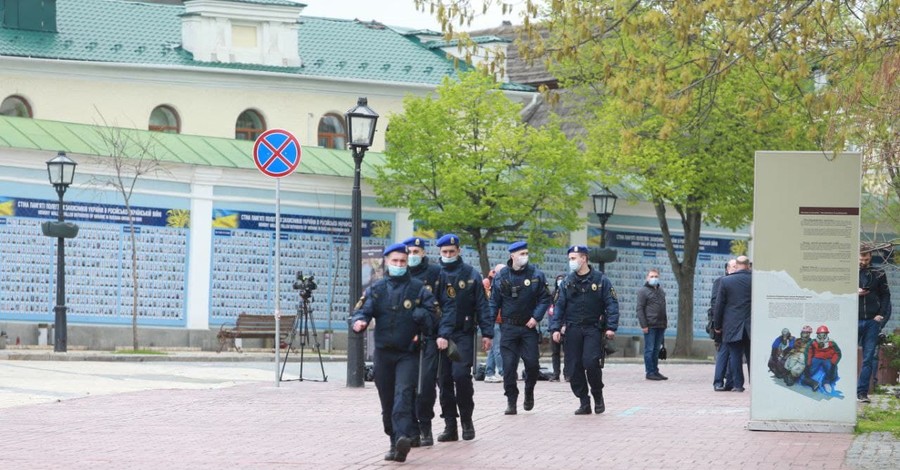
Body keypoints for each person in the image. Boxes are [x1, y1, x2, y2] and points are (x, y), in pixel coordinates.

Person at [350, 242, 436, 463]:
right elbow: (361, 311)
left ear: (407, 263)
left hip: (407, 353)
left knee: (403, 396)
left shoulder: (418, 289)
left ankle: (403, 438)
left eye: (402, 261)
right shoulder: (377, 289)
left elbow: (434, 317)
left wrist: (420, 316)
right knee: (387, 400)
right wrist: (359, 322)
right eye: (395, 261)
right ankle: (394, 440)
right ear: (387, 262)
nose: (399, 265)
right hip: (383, 354)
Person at [433, 234, 493, 442]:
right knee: (443, 380)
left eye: (452, 251)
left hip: (462, 334)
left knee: (461, 376)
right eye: (444, 252)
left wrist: (487, 333)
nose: (448, 255)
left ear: (458, 251)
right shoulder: (435, 274)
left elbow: (482, 305)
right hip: (439, 336)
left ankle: (466, 419)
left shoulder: (471, 274)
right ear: (439, 253)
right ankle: (450, 425)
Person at [549, 245, 620, 415]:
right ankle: (584, 401)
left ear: (584, 258)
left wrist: (611, 327)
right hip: (572, 329)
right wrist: (555, 328)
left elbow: (612, 304)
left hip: (592, 328)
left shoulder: (601, 280)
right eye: (570, 259)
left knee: (591, 363)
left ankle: (597, 394)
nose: (571, 262)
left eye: (574, 258)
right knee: (573, 368)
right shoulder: (567, 282)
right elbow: (559, 306)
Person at [489, 241, 552, 415]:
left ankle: (529, 391)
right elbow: (494, 302)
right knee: (508, 367)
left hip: (528, 327)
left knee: (532, 364)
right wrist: (488, 325)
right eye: (521, 254)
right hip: (508, 327)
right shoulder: (502, 276)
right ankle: (511, 400)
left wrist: (536, 317)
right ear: (512, 256)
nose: (524, 257)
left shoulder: (536, 275)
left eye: (526, 253)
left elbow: (545, 299)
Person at [400, 236, 441, 447]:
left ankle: (425, 425)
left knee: (425, 385)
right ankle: (412, 429)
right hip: (404, 339)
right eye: (410, 252)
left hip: (429, 337)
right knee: (406, 386)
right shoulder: (399, 274)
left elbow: (442, 305)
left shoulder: (435, 273)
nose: (412, 255)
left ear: (423, 253)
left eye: (416, 252)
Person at [857, 244, 891, 403]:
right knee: (845, 354)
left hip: (872, 320)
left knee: (868, 358)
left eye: (866, 258)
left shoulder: (878, 272)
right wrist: (855, 292)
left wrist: (880, 315)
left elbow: (885, 295)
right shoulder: (850, 272)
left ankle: (862, 393)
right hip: (854, 319)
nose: (863, 262)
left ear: (870, 256)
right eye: (861, 259)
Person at [713, 255, 751, 392]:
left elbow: (719, 305)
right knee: (751, 355)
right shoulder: (755, 280)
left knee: (735, 356)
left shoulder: (726, 281)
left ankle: (738, 385)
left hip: (732, 325)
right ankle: (755, 385)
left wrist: (717, 326)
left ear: (738, 265)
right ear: (748, 265)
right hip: (751, 326)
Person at [636, 268, 668, 381]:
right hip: (650, 325)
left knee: (656, 350)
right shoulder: (643, 291)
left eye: (656, 276)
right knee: (649, 349)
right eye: (651, 276)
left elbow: (663, 308)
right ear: (647, 278)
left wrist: (665, 323)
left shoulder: (661, 290)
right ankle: (649, 372)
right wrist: (643, 325)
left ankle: (655, 370)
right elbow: (640, 309)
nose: (654, 278)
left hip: (660, 325)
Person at [712, 259, 737, 391]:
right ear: (727, 269)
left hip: (737, 324)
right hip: (724, 324)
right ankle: (718, 381)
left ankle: (731, 382)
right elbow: (715, 304)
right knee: (724, 352)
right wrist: (717, 324)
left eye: (737, 267)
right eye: (733, 267)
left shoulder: (740, 282)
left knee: (735, 354)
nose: (736, 269)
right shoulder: (720, 281)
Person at [483, 264, 506, 383]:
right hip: (494, 320)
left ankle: (489, 372)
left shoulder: (499, 282)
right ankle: (503, 373)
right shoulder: (488, 283)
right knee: (498, 348)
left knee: (493, 349)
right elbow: (490, 302)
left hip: (499, 319)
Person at [805, 325, 842, 393]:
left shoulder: (831, 343)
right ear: (817, 335)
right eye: (820, 335)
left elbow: (838, 353)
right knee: (809, 369)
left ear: (826, 335)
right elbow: (808, 351)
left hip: (827, 359)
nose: (822, 337)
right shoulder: (813, 342)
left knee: (831, 370)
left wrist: (833, 361)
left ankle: (826, 382)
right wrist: (808, 361)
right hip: (816, 358)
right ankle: (809, 380)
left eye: (824, 335)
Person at [548, 274, 566, 381]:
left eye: (562, 280)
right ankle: (556, 373)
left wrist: (565, 325)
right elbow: (551, 311)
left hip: (565, 327)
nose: (559, 282)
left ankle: (567, 374)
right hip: (554, 326)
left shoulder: (568, 294)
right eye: (558, 280)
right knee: (555, 352)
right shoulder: (553, 295)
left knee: (568, 352)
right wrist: (553, 327)